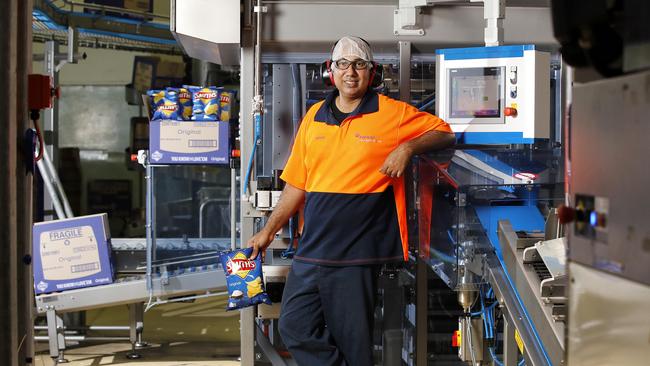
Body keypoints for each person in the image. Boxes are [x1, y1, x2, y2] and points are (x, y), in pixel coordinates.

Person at [247, 36, 455, 366]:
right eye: (343, 64)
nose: (351, 72)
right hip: (313, 249)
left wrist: (406, 148)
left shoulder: (392, 114)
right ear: (331, 71)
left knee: (354, 343)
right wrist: (268, 231)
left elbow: (444, 132)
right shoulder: (314, 117)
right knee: (294, 326)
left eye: (359, 65)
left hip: (357, 254)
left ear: (372, 72)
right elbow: (296, 186)